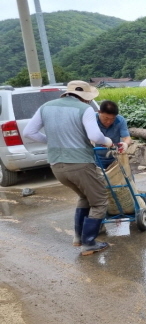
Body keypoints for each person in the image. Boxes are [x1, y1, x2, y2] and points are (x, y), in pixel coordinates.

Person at [23, 80, 114, 256]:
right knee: (100, 201)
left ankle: (79, 238)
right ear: (86, 97)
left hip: (56, 165)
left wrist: (51, 141)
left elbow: (29, 132)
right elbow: (95, 135)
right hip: (80, 164)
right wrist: (108, 142)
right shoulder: (84, 108)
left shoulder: (46, 107)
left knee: (83, 196)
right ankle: (89, 243)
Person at [95, 100, 132, 168]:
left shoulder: (120, 120)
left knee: (125, 177)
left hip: (115, 156)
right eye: (106, 118)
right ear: (99, 112)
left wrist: (125, 144)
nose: (109, 122)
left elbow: (127, 138)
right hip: (95, 158)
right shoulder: (92, 120)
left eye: (112, 119)